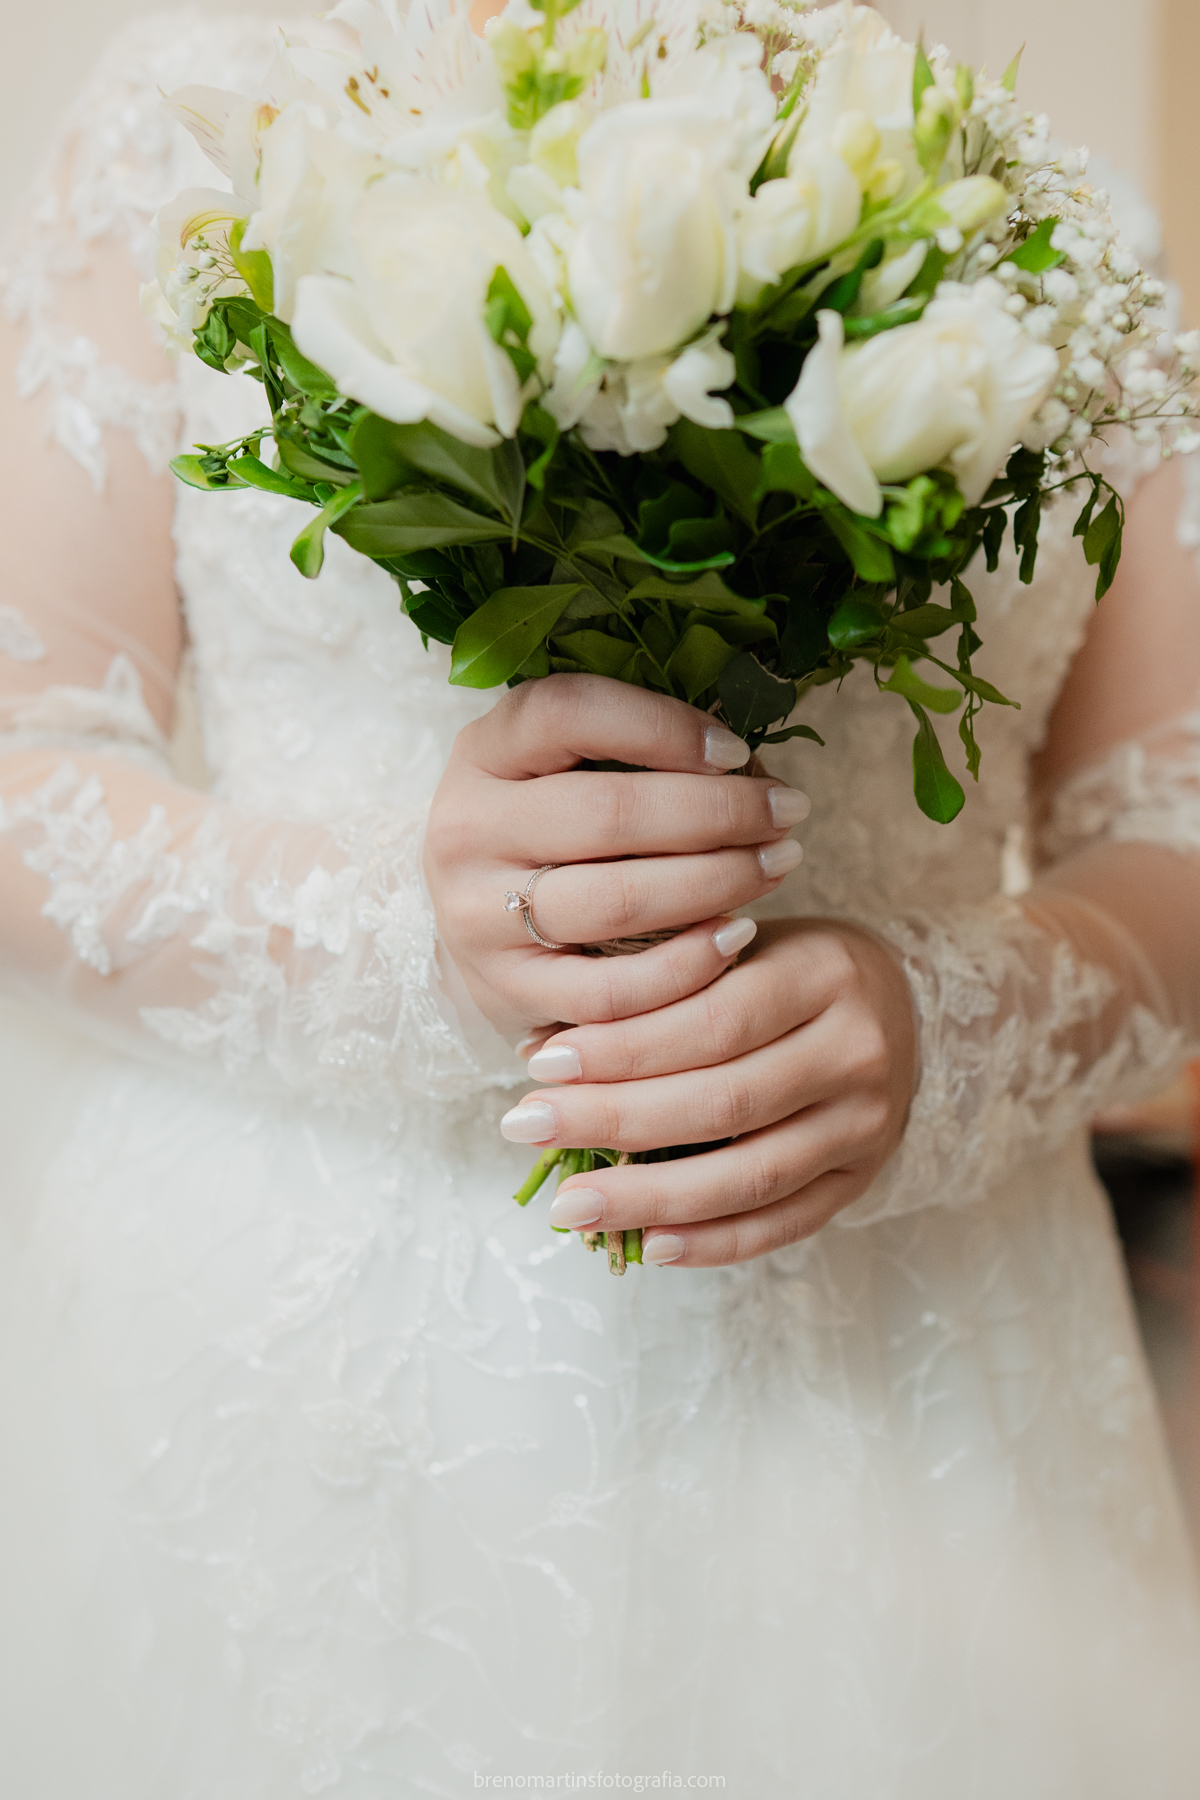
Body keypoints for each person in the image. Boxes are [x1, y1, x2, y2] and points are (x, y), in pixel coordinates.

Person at [1, 7, 1199, 1796]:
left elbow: (1172, 822)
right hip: (306, 1391)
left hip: (911, 1370)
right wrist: (407, 938)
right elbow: (27, 760)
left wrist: (946, 1029)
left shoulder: (1062, 230)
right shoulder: (199, 116)